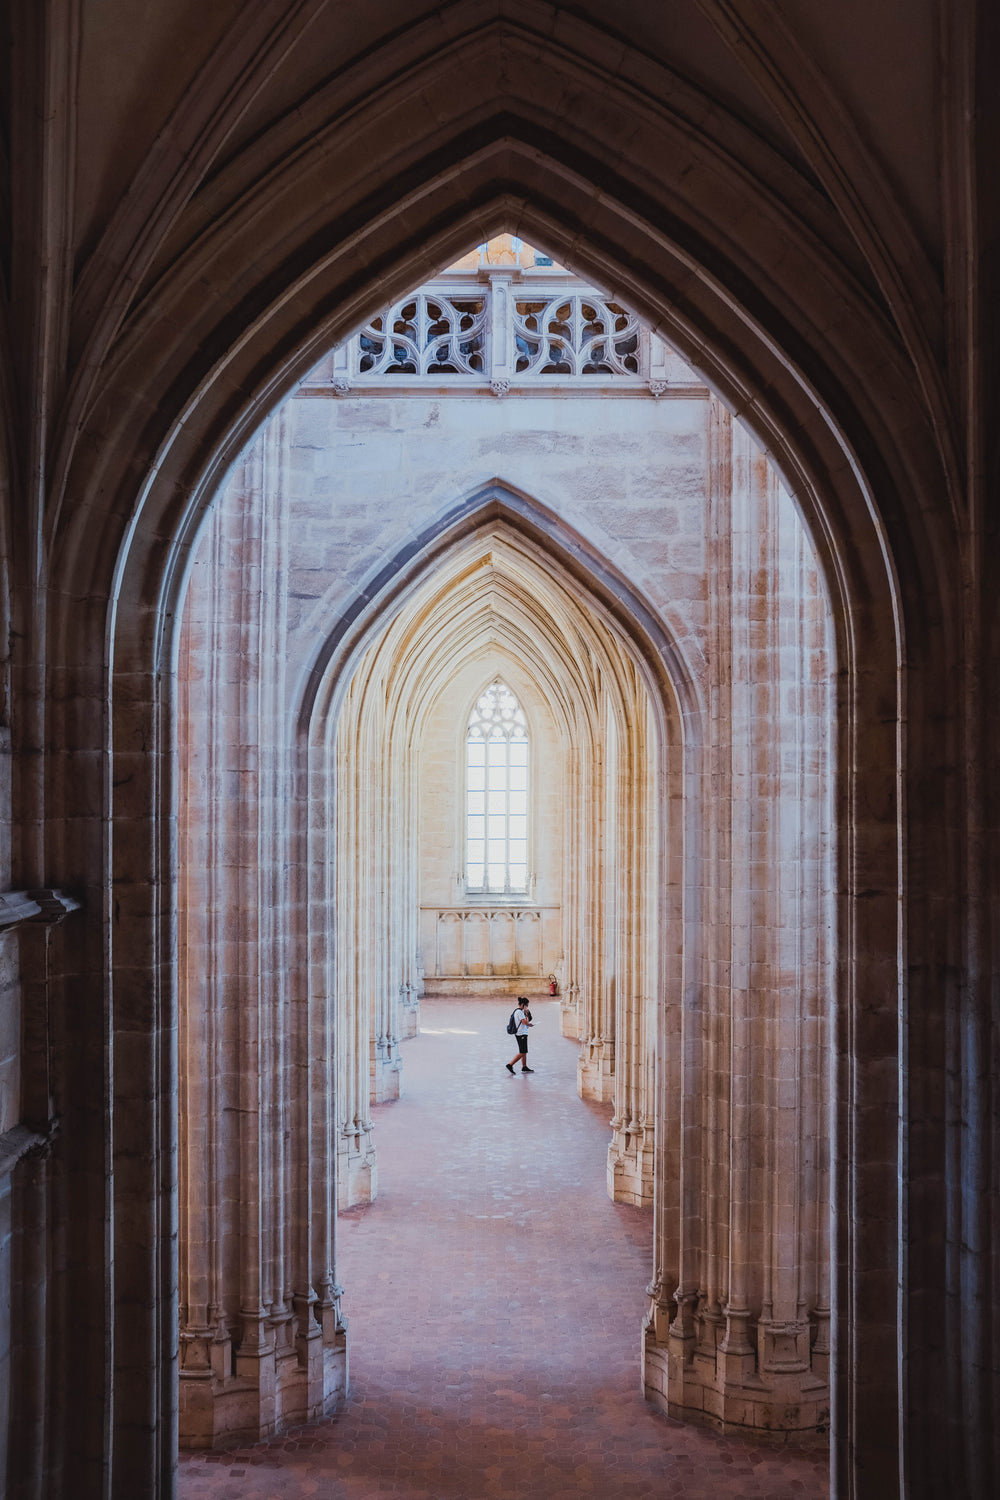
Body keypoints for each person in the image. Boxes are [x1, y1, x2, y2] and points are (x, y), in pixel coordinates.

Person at [505, 996, 534, 1074]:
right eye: (527, 1005)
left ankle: (524, 1066)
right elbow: (525, 1022)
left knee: (523, 1051)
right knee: (523, 1052)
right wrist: (526, 1014)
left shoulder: (518, 1011)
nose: (527, 1007)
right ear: (523, 1005)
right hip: (521, 1034)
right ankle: (510, 1065)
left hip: (522, 1033)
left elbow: (524, 1023)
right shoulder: (519, 1012)